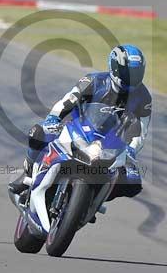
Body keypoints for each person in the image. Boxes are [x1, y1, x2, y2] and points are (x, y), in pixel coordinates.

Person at [8, 44, 152, 205]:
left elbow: (142, 130)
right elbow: (67, 101)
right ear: (115, 68)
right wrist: (53, 119)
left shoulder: (144, 97)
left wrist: (132, 149)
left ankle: (93, 201)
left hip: (112, 143)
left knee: (133, 183)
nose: (132, 77)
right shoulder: (94, 81)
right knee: (38, 132)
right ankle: (27, 173)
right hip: (80, 129)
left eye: (137, 73)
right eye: (128, 73)